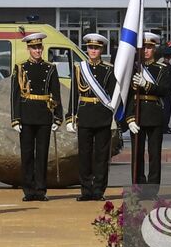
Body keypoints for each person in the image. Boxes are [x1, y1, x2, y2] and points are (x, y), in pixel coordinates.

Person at [10, 31, 61, 202]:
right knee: (27, 155)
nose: (37, 51)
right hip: (26, 115)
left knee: (42, 155)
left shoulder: (50, 68)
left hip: (44, 115)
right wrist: (15, 118)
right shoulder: (20, 68)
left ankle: (40, 190)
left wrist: (57, 117)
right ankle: (28, 190)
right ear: (28, 49)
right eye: (34, 48)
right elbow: (15, 95)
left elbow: (56, 93)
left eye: (39, 47)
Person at [67, 32, 118, 202]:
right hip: (85, 115)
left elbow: (113, 95)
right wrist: (70, 117)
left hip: (102, 115)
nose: (93, 51)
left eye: (96, 48)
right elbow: (74, 94)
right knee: (84, 156)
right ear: (87, 49)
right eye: (90, 47)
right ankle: (86, 190)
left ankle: (99, 190)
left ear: (101, 50)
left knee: (101, 157)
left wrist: (115, 116)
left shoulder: (108, 69)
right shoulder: (79, 69)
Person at [127, 32, 171, 199]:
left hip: (154, 113)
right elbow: (127, 95)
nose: (146, 50)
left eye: (150, 47)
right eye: (144, 47)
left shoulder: (162, 69)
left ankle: (152, 190)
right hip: (137, 114)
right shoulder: (133, 68)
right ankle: (138, 188)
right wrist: (129, 117)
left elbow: (165, 90)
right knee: (137, 155)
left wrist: (146, 84)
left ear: (155, 49)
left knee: (154, 155)